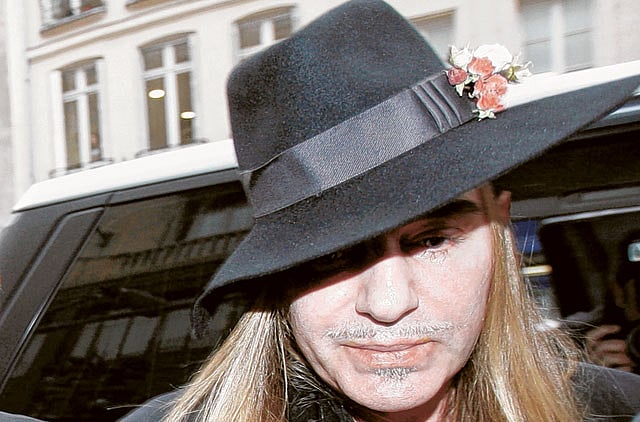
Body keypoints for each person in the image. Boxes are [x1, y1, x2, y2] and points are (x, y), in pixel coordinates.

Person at [122, 0, 640, 420]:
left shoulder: (614, 408)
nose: (389, 304)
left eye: (434, 240)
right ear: (276, 279)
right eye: (330, 256)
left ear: (500, 228)